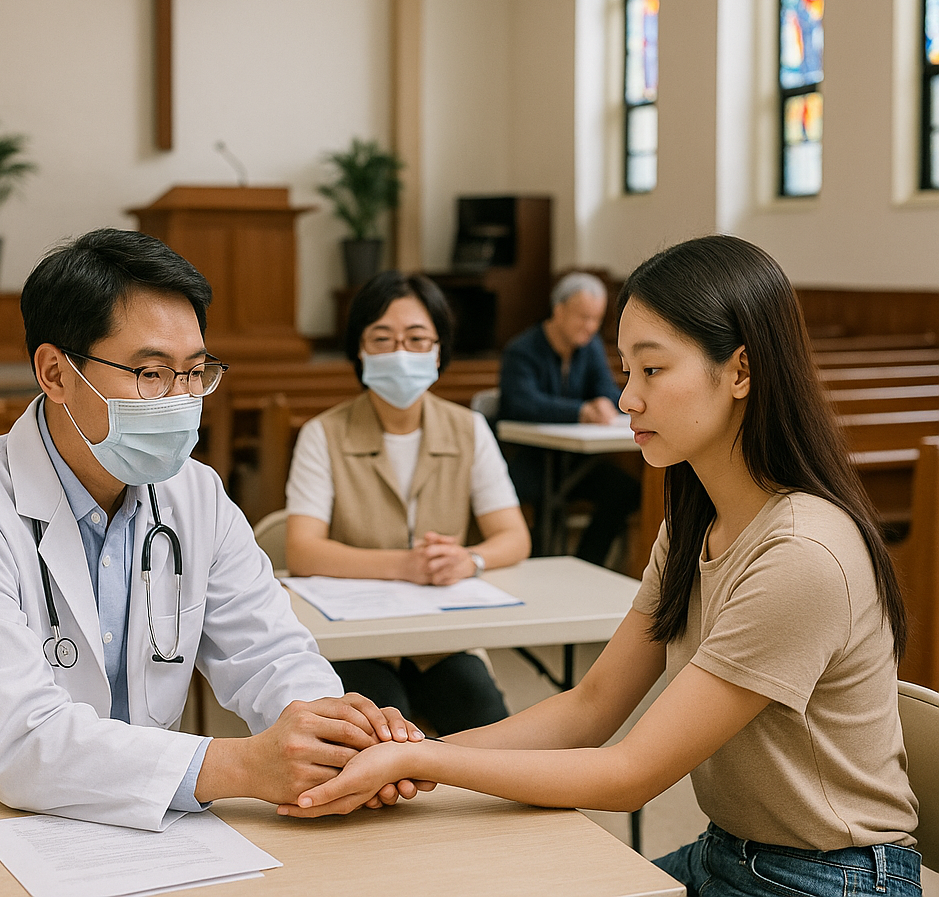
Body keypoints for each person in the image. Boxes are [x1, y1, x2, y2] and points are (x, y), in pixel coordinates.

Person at [280, 236, 922, 897]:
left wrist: (423, 757)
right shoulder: (696, 522)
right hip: (729, 853)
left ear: (740, 371)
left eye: (651, 371)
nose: (625, 400)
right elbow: (590, 706)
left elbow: (630, 775)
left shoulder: (802, 554)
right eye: (624, 371)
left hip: (827, 878)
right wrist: (413, 753)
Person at [0, 229, 424, 831]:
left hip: (151, 821)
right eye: (152, 372)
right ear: (54, 373)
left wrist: (333, 735)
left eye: (194, 372)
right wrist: (245, 765)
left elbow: (268, 653)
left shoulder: (196, 494)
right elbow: (23, 742)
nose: (181, 399)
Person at [285, 270, 531, 734]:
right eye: (383, 338)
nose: (401, 352)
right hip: (358, 638)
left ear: (439, 350)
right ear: (359, 349)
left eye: (417, 338)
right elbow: (302, 550)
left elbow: (514, 537)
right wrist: (405, 565)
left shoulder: (469, 429)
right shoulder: (323, 434)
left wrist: (469, 560)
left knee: (487, 722)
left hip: (440, 638)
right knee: (381, 727)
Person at [499, 272, 640, 564]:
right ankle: (541, 569)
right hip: (530, 460)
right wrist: (580, 411)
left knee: (626, 491)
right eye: (582, 317)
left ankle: (588, 562)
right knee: (546, 498)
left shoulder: (590, 349)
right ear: (559, 310)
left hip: (577, 463)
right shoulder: (521, 350)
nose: (590, 327)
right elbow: (522, 403)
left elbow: (609, 392)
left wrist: (604, 403)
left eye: (596, 320)